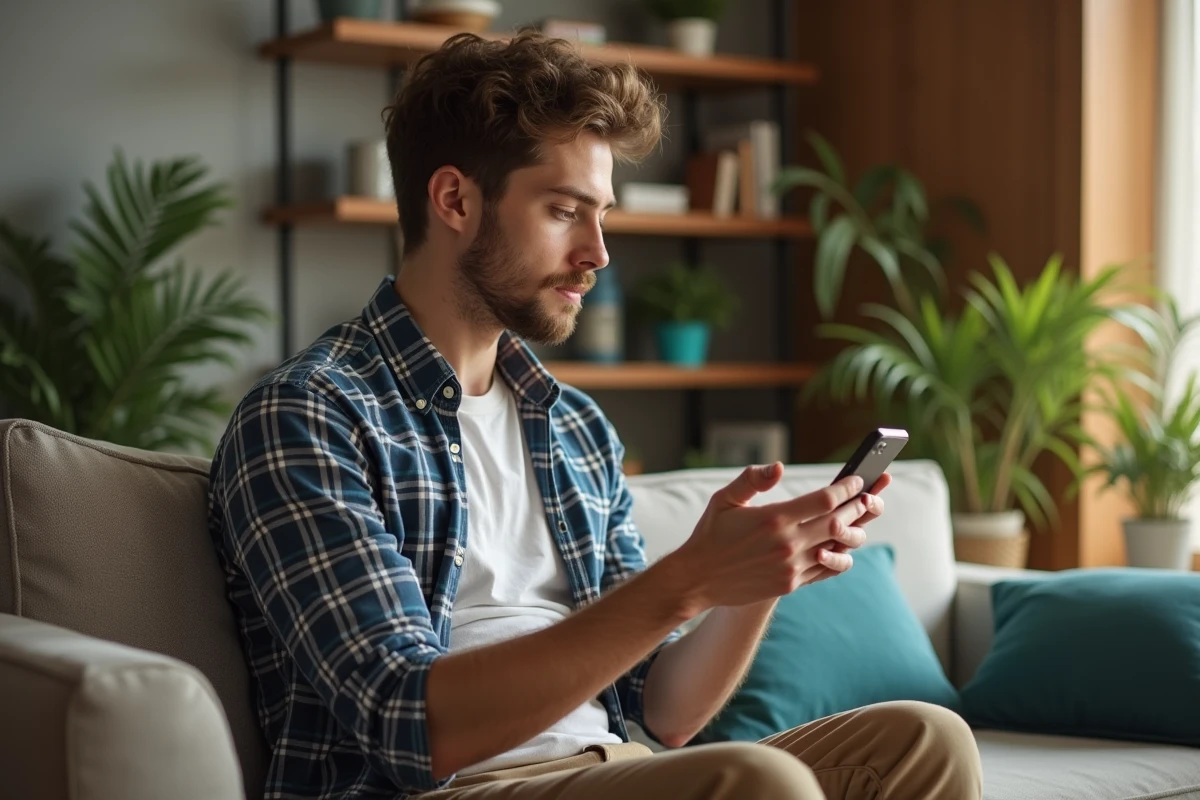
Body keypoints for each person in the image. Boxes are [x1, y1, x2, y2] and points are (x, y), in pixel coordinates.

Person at [208, 31, 982, 800]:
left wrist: (752, 583)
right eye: (565, 210)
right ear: (455, 200)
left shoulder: (571, 427)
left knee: (924, 740)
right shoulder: (309, 416)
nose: (599, 252)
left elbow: (666, 712)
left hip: (608, 770)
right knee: (756, 781)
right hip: (439, 789)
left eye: (602, 215)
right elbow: (412, 724)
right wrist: (686, 579)